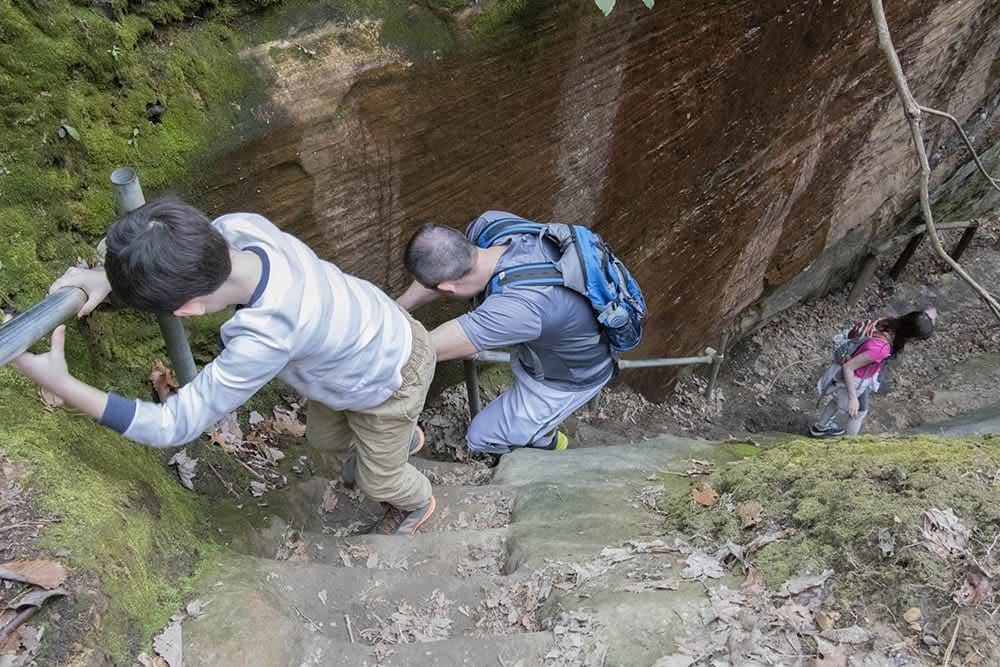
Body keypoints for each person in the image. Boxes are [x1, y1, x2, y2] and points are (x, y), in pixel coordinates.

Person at [10, 197, 436, 535]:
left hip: (394, 376)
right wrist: (109, 277)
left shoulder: (268, 334)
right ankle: (397, 438)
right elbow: (174, 253)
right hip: (362, 338)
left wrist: (62, 384)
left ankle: (415, 499)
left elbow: (171, 425)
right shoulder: (238, 227)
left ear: (191, 310)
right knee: (324, 441)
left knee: (378, 481)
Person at [396, 210, 616, 455]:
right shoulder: (490, 225)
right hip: (554, 341)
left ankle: (548, 444)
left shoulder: (520, 308)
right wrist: (396, 309)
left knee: (482, 437)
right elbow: (441, 270)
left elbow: (422, 349)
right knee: (523, 418)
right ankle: (539, 431)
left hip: (569, 376)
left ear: (447, 288)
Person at [810, 308, 936, 437]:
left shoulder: (887, 322)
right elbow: (848, 368)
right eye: (916, 338)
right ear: (911, 334)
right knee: (858, 413)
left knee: (844, 404)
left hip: (859, 374)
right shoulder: (881, 349)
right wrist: (853, 398)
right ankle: (848, 441)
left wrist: (926, 317)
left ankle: (820, 427)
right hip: (855, 379)